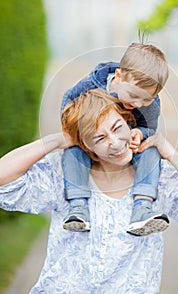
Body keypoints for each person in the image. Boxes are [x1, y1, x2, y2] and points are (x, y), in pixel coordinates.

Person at [0, 89, 178, 293]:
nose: (114, 142)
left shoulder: (158, 178)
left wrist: (170, 153)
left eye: (117, 127)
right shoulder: (63, 174)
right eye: (99, 138)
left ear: (130, 123)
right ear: (86, 146)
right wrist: (57, 141)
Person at [61, 42, 170, 236]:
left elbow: (150, 128)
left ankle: (142, 208)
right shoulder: (89, 86)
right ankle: (78, 208)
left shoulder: (151, 105)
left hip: (126, 146)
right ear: (118, 77)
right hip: (94, 142)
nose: (137, 104)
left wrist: (141, 134)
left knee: (151, 153)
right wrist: (76, 134)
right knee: (73, 153)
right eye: (134, 95)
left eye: (146, 99)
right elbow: (68, 106)